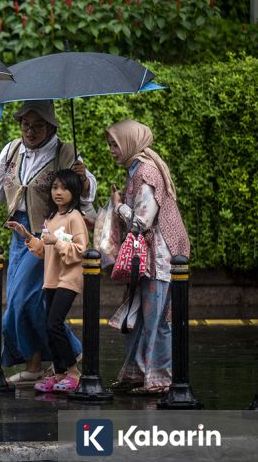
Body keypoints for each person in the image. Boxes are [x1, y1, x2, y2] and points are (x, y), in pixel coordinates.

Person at [0, 100, 96, 383]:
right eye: (26, 124)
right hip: (19, 235)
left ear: (51, 126)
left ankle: (70, 355)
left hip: (48, 234)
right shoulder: (12, 150)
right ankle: (36, 365)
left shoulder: (65, 152)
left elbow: (86, 189)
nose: (30, 131)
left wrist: (83, 179)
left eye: (38, 126)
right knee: (26, 302)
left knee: (22, 299)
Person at [105, 120, 189, 395]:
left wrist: (118, 207)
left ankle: (160, 379)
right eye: (110, 144)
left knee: (157, 319)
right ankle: (138, 374)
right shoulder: (135, 170)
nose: (111, 150)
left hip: (160, 259)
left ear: (130, 143)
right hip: (147, 257)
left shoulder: (146, 172)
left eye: (115, 144)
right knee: (139, 316)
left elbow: (142, 221)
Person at [8, 169, 88, 393]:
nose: (58, 192)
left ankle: (73, 372)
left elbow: (81, 250)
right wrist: (27, 236)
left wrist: (57, 242)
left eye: (64, 188)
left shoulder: (74, 217)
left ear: (74, 191)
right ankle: (60, 373)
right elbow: (45, 250)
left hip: (68, 279)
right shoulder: (51, 218)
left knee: (54, 323)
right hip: (51, 279)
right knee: (49, 326)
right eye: (55, 187)